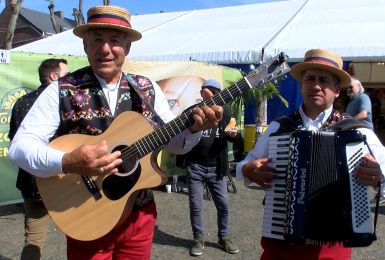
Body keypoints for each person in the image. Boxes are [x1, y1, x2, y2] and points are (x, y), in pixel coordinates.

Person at [8, 5, 223, 260]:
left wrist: (194, 129)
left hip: (139, 216)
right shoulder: (61, 90)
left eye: (115, 40)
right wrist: (67, 162)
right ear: (85, 45)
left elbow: (176, 144)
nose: (105, 48)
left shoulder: (147, 88)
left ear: (127, 47)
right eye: (97, 40)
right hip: (88, 216)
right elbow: (19, 148)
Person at [236, 49, 385, 260]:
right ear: (302, 85)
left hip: (331, 249)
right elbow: (247, 163)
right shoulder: (280, 127)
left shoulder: (354, 131)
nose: (316, 86)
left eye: (324, 80)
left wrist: (378, 175)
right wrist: (247, 169)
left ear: (337, 90)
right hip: (281, 245)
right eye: (310, 79)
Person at [8, 58, 69, 260]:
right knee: (84, 233)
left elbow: (13, 138)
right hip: (62, 182)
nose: (70, 80)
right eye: (66, 75)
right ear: (54, 76)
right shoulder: (64, 100)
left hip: (32, 183)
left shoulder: (20, 102)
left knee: (33, 241)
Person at [179, 79, 239, 256]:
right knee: (195, 206)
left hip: (217, 168)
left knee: (223, 205)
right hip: (195, 167)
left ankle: (224, 237)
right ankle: (198, 239)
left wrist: (233, 135)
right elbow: (180, 135)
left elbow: (234, 136)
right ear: (202, 92)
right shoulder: (192, 113)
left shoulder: (226, 113)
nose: (212, 95)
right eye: (208, 90)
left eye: (216, 91)